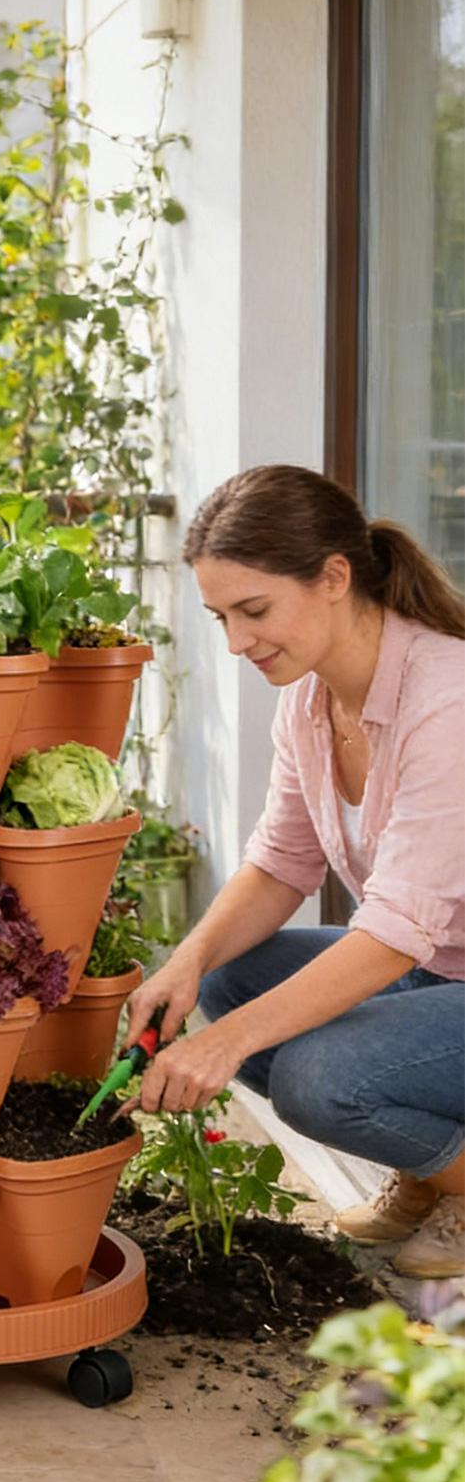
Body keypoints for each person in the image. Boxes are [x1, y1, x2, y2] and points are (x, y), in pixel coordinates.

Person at [123, 464, 464, 1279]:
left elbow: (393, 931)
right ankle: (431, 1169)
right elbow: (280, 863)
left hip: (428, 963)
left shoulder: (445, 699)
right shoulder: (309, 703)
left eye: (254, 610)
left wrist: (225, 1045)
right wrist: (184, 962)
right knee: (228, 976)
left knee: (316, 1080)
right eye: (221, 618)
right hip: (436, 971)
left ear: (333, 577)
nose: (235, 642)